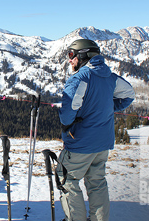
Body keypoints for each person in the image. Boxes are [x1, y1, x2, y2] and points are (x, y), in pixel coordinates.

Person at [57, 39, 135, 221]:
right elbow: (129, 95)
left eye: (71, 55)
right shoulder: (110, 77)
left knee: (67, 178)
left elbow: (68, 111)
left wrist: (67, 125)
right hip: (103, 143)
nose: (69, 60)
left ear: (83, 55)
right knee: (97, 182)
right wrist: (107, 107)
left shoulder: (80, 78)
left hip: (81, 142)